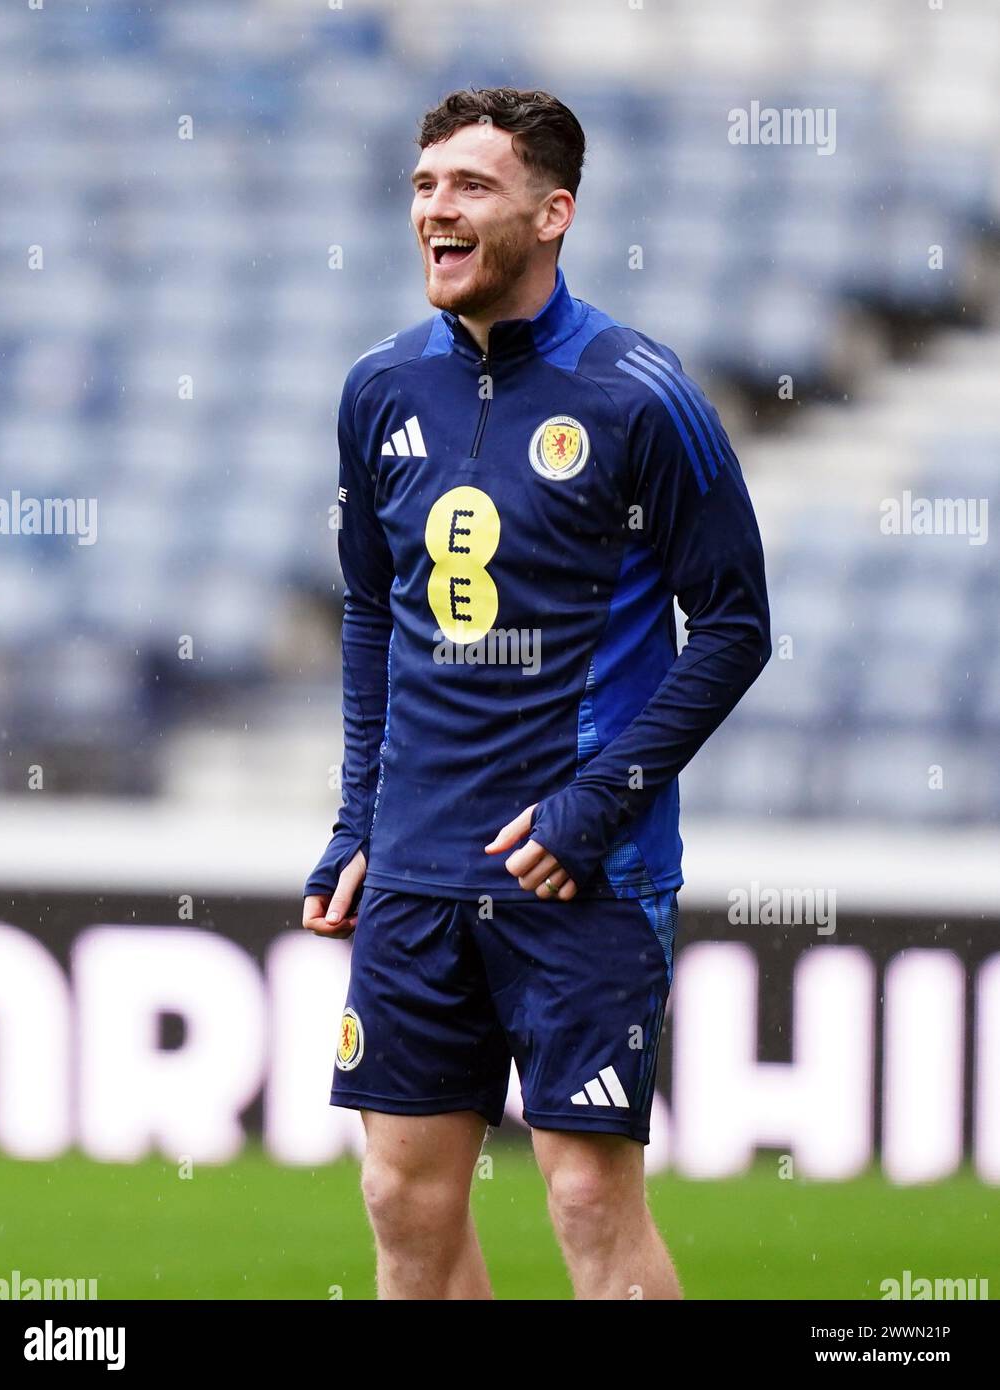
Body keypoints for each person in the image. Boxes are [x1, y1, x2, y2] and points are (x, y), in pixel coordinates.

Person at [302, 87, 771, 1300]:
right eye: (422, 187)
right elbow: (370, 608)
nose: (434, 212)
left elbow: (735, 626)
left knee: (584, 1195)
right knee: (402, 1198)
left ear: (553, 213)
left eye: (468, 187)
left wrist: (592, 806)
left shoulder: (639, 394)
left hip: (584, 872)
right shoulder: (379, 390)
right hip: (416, 863)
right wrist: (359, 817)